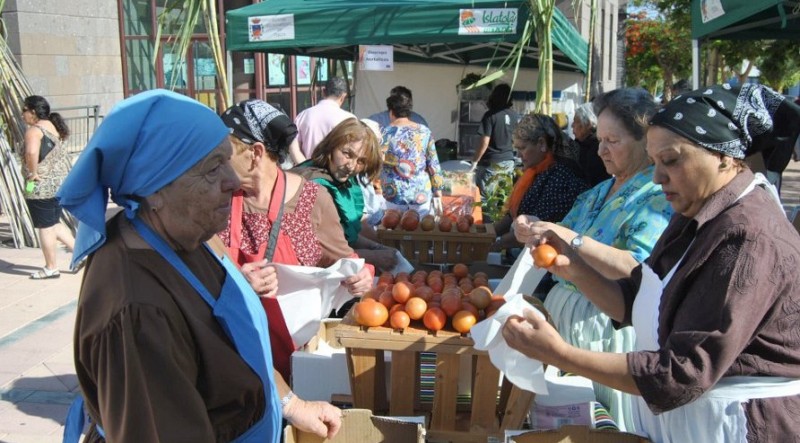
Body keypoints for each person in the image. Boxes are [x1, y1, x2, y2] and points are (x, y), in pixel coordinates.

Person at [503, 84, 800, 442]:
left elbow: (683, 372)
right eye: (655, 161)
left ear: (724, 156)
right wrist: (573, 268)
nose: (658, 177)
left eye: (671, 160)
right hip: (684, 417)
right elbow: (639, 295)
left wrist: (560, 354)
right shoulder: (697, 210)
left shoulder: (748, 234)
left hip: (732, 425)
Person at [58, 90, 341, 442]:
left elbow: (241, 346)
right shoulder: (137, 314)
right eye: (211, 170)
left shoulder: (194, 236)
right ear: (155, 190)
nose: (234, 182)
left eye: (226, 160)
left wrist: (291, 403)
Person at [512, 88, 674, 431]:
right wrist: (527, 228)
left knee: (607, 427)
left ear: (645, 140)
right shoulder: (598, 191)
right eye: (599, 139)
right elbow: (557, 237)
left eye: (612, 140)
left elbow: (640, 270)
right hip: (564, 326)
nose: (600, 150)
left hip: (607, 334)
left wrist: (574, 240)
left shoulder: (658, 196)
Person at [218, 100, 373, 381]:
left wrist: (362, 275)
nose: (218, 159)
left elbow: (344, 261)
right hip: (228, 348)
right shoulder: (217, 198)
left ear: (255, 153)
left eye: (226, 150)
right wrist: (238, 282)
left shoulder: (310, 200)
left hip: (291, 358)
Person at [292, 118, 401, 273]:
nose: (351, 166)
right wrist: (372, 257)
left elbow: (344, 235)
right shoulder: (312, 186)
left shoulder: (343, 181)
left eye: (361, 161)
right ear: (331, 146)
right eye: (347, 154)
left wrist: (375, 246)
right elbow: (314, 251)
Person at [491, 114, 589, 252]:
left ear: (541, 144)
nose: (518, 155)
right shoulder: (538, 171)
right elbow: (515, 214)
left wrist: (495, 244)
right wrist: (488, 233)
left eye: (522, 148)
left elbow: (536, 229)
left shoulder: (561, 178)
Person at [20, 95, 77, 279]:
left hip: (41, 187)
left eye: (24, 110)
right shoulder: (53, 127)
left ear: (33, 112)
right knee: (54, 223)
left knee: (45, 227)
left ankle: (51, 267)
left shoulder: (34, 131)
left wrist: (32, 172)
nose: (22, 114)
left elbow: (31, 152)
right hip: (59, 184)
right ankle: (80, 255)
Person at [379, 89, 445, 216]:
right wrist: (438, 191)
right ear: (409, 111)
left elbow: (377, 162)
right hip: (420, 194)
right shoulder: (424, 131)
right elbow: (433, 164)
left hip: (393, 194)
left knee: (393, 230)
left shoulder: (384, 133)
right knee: (421, 232)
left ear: (391, 111)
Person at [470, 84, 519, 221]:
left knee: (487, 201)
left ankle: (489, 231)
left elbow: (484, 142)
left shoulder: (490, 115)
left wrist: (475, 161)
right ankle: (500, 231)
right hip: (509, 162)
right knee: (503, 200)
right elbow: (517, 139)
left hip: (491, 164)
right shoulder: (514, 116)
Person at [295, 77, 356, 158]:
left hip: (306, 168)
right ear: (343, 96)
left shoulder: (303, 116)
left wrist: (304, 166)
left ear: (323, 91)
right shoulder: (350, 119)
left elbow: (294, 149)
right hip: (339, 170)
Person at [572, 102, 610, 186]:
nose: (572, 125)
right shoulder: (580, 144)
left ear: (588, 124)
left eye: (575, 122)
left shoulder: (596, 147)